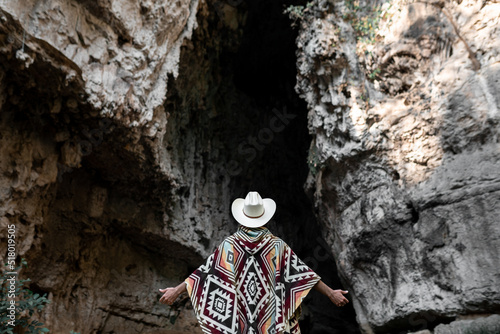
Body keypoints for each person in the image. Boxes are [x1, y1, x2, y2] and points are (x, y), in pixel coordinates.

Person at [159, 191, 349, 334]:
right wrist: (331, 293)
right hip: (271, 321)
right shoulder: (276, 246)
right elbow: (303, 276)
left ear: (242, 217)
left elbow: (202, 276)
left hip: (239, 323)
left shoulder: (230, 246)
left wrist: (175, 291)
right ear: (264, 217)